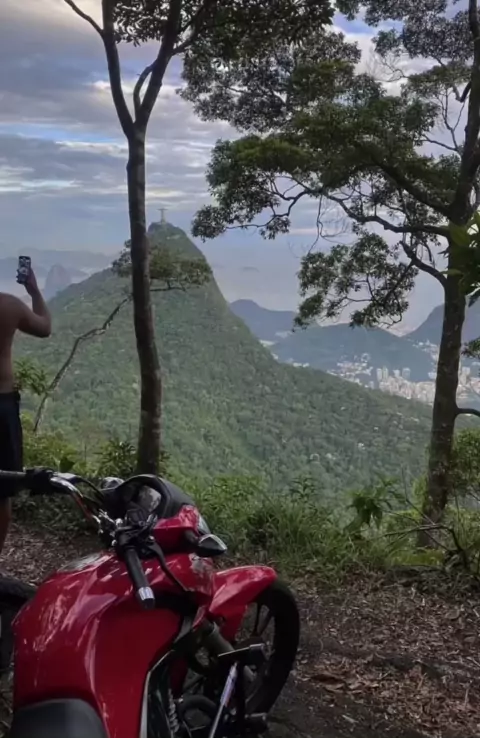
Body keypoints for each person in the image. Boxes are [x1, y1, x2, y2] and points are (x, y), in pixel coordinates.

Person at [0, 268, 51, 553]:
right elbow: (45, 327)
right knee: (2, 492)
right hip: (2, 407)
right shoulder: (9, 305)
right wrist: (34, 290)